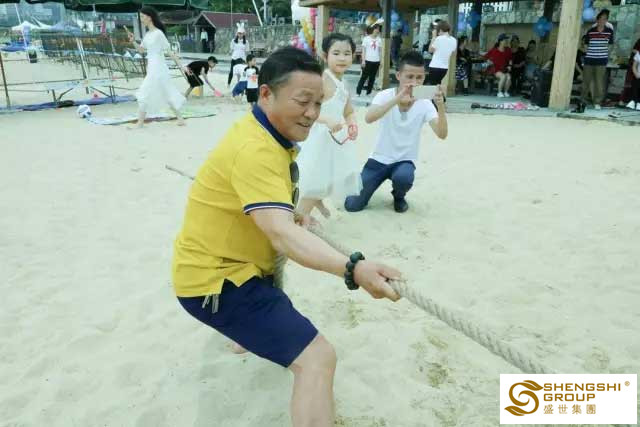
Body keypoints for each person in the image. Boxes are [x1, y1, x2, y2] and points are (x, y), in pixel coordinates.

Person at [172, 46, 402, 427]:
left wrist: (291, 213)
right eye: (302, 101)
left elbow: (276, 217)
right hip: (216, 281)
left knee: (284, 323)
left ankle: (245, 337)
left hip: (236, 268)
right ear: (266, 94)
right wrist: (355, 269)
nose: (312, 113)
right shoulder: (255, 148)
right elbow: (282, 235)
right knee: (318, 358)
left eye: (318, 103)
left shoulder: (268, 134)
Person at [344, 51, 448, 214]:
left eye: (419, 78)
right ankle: (360, 182)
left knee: (404, 177)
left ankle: (399, 196)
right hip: (378, 159)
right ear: (399, 75)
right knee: (352, 205)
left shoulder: (425, 103)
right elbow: (369, 118)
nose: (414, 82)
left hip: (404, 161)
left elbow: (442, 134)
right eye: (410, 77)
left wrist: (440, 106)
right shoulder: (384, 95)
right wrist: (397, 99)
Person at [296, 33, 361, 220]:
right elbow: (305, 109)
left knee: (332, 177)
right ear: (325, 56)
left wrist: (352, 124)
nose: (342, 58)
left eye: (347, 54)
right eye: (336, 53)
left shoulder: (344, 83)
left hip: (336, 139)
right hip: (318, 138)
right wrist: (326, 120)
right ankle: (302, 217)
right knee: (315, 178)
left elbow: (348, 111)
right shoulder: (322, 80)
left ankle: (316, 201)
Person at [126, 6, 185, 128]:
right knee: (166, 92)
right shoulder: (148, 34)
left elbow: (170, 52)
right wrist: (133, 41)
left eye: (142, 16)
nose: (141, 19)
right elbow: (141, 50)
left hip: (158, 67)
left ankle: (140, 123)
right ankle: (180, 119)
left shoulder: (158, 34)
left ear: (149, 17)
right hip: (152, 67)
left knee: (145, 92)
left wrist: (182, 66)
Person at [582, 9, 614, 110]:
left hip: (601, 60)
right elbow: (585, 44)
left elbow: (610, 45)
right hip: (589, 59)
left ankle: (597, 102)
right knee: (586, 81)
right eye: (600, 19)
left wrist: (605, 54)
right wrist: (588, 52)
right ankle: (582, 101)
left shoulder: (609, 31)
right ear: (597, 20)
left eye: (604, 19)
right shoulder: (591, 31)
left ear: (606, 21)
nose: (602, 21)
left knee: (599, 82)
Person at [426, 20, 457, 86]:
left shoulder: (439, 38)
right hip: (445, 68)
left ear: (440, 30)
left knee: (432, 85)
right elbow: (453, 53)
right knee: (438, 84)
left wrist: (433, 37)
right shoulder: (454, 40)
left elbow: (430, 50)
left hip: (435, 66)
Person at [356, 23, 382, 96]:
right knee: (364, 77)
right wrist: (363, 61)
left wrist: (380, 61)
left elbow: (380, 51)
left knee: (372, 77)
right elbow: (363, 51)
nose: (377, 30)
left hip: (376, 61)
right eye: (376, 29)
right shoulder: (366, 39)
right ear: (373, 29)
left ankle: (368, 92)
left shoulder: (379, 40)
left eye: (378, 29)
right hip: (367, 60)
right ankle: (358, 92)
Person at [619, 38, 640, 106]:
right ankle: (624, 100)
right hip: (635, 65)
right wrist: (638, 53)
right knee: (630, 83)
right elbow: (634, 50)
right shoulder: (639, 41)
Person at [228, 23, 249, 87]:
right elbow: (231, 49)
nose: (240, 35)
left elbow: (247, 51)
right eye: (239, 33)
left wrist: (247, 60)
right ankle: (228, 84)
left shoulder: (246, 42)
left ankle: (239, 84)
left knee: (240, 72)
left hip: (242, 59)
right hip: (234, 58)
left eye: (241, 33)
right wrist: (229, 53)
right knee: (231, 71)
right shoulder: (233, 41)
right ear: (237, 34)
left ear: (243, 34)